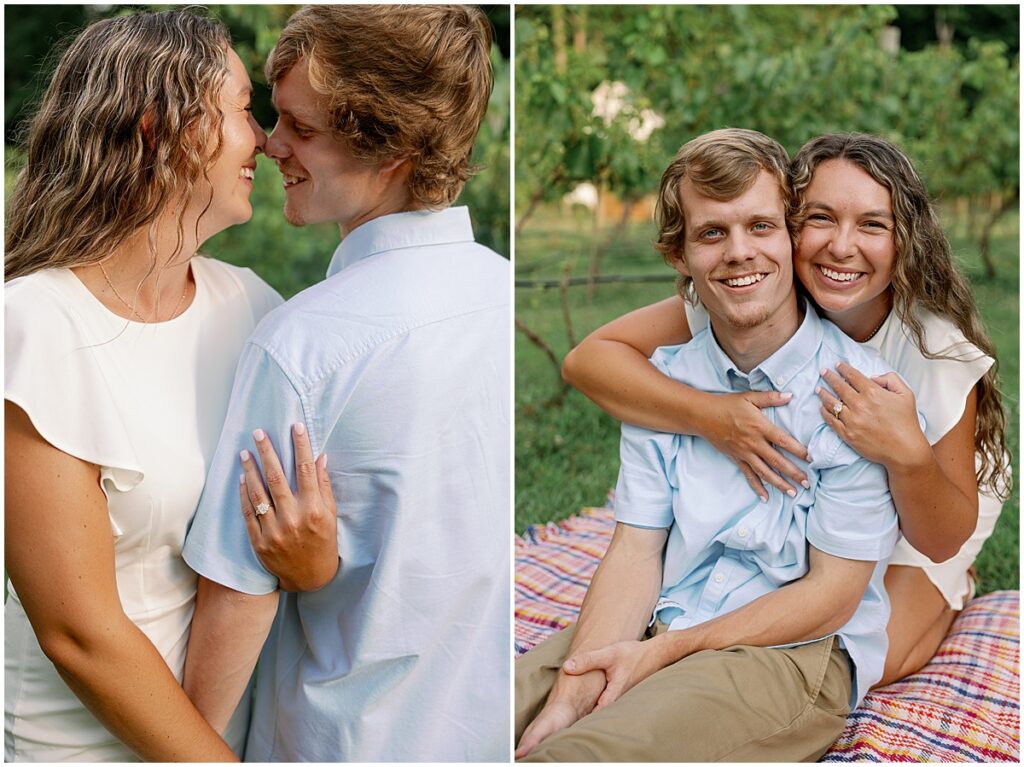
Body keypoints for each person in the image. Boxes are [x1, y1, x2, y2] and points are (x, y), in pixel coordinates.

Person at [180, 5, 510, 762]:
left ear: (388, 146)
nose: (269, 143)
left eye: (302, 127)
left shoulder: (302, 344)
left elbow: (236, 596)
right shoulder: (499, 286)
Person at [562, 132, 1010, 685]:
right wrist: (711, 415)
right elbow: (588, 361)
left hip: (936, 499)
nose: (841, 247)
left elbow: (943, 536)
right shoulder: (748, 293)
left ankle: (954, 594)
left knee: (869, 657)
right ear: (790, 224)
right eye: (821, 218)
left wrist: (907, 455)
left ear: (906, 242)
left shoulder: (933, 353)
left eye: (872, 224)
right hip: (824, 498)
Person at [515, 128, 902, 762]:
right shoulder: (665, 383)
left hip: (790, 652)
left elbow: (831, 595)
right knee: (477, 722)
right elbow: (636, 551)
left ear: (791, 235)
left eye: (760, 226)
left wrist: (661, 654)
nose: (739, 253)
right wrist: (568, 691)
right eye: (712, 233)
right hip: (663, 612)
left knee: (578, 755)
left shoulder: (855, 394)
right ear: (681, 254)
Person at [5, 10, 282, 762]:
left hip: (223, 730)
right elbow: (79, 633)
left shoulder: (253, 307)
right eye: (240, 110)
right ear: (162, 129)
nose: (263, 138)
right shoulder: (34, 327)